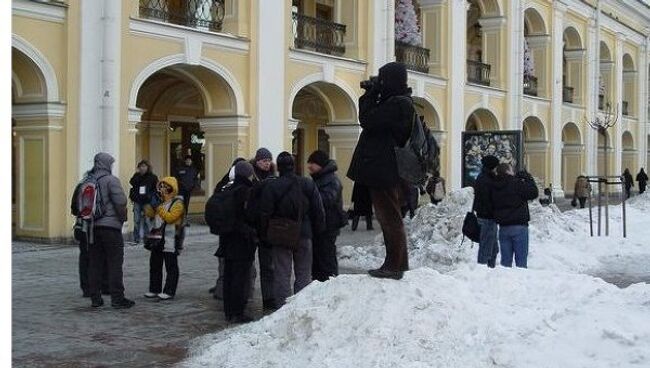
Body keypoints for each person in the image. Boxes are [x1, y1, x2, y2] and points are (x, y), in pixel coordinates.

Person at [347, 62, 414, 280]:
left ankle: (395, 266)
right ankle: (396, 263)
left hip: (384, 169)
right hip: (384, 168)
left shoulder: (398, 104)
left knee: (389, 218)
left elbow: (367, 120)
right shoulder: (398, 102)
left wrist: (370, 94)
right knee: (389, 217)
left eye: (382, 80)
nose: (380, 83)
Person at [260, 152, 325, 306]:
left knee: (282, 272)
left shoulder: (272, 186)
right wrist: (317, 231)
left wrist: (265, 235)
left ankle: (283, 306)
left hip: (281, 233)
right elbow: (318, 210)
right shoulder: (307, 183)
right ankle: (301, 304)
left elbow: (265, 213)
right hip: (304, 232)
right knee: (304, 272)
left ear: (278, 167)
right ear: (294, 166)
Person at [87, 152, 135, 309]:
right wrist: (121, 219)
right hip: (110, 228)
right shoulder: (111, 180)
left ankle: (95, 297)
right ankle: (117, 298)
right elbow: (120, 201)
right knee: (115, 262)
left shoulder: (87, 180)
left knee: (95, 263)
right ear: (106, 164)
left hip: (93, 227)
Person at [219, 161, 258, 323]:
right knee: (240, 277)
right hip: (242, 240)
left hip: (227, 238)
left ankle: (229, 311)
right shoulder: (246, 191)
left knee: (228, 275)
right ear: (248, 173)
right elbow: (250, 215)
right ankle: (238, 311)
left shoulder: (227, 188)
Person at [307, 150, 346, 282]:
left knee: (326, 256)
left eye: (312, 163)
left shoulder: (331, 180)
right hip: (321, 224)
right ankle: (319, 281)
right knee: (318, 257)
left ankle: (329, 282)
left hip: (328, 225)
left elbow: (328, 199)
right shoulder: (319, 178)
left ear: (320, 165)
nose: (309, 166)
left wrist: (309, 197)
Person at [144, 177, 185, 300]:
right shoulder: (160, 202)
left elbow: (170, 218)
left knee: (171, 266)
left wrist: (158, 208)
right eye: (160, 186)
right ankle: (154, 289)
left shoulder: (178, 203)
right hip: (157, 238)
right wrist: (149, 204)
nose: (161, 189)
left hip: (170, 239)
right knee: (155, 265)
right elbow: (150, 214)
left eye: (164, 186)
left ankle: (169, 290)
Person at [492, 163, 539, 268]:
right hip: (519, 226)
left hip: (503, 228)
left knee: (505, 262)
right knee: (521, 261)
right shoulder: (516, 184)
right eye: (511, 170)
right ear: (508, 171)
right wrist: (528, 179)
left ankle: (505, 282)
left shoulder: (495, 186)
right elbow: (533, 193)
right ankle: (520, 283)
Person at [247, 148, 277, 310]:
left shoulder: (274, 177)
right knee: (248, 264)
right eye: (264, 161)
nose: (267, 163)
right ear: (257, 161)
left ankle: (269, 297)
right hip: (252, 226)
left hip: (267, 229)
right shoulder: (252, 178)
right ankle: (247, 294)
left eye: (268, 160)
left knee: (268, 266)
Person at [472, 155, 500, 269]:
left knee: (493, 249)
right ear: (492, 166)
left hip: (489, 217)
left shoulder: (486, 177)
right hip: (487, 217)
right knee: (486, 248)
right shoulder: (485, 179)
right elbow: (487, 199)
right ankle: (482, 271)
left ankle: (490, 270)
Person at [129, 160, 158, 244]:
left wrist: (150, 196)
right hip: (137, 200)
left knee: (147, 220)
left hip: (147, 201)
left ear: (148, 167)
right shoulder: (136, 176)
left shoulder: (152, 177)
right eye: (141, 166)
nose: (142, 168)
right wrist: (138, 176)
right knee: (136, 220)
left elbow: (155, 189)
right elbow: (132, 183)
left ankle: (146, 237)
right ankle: (136, 238)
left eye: (144, 166)